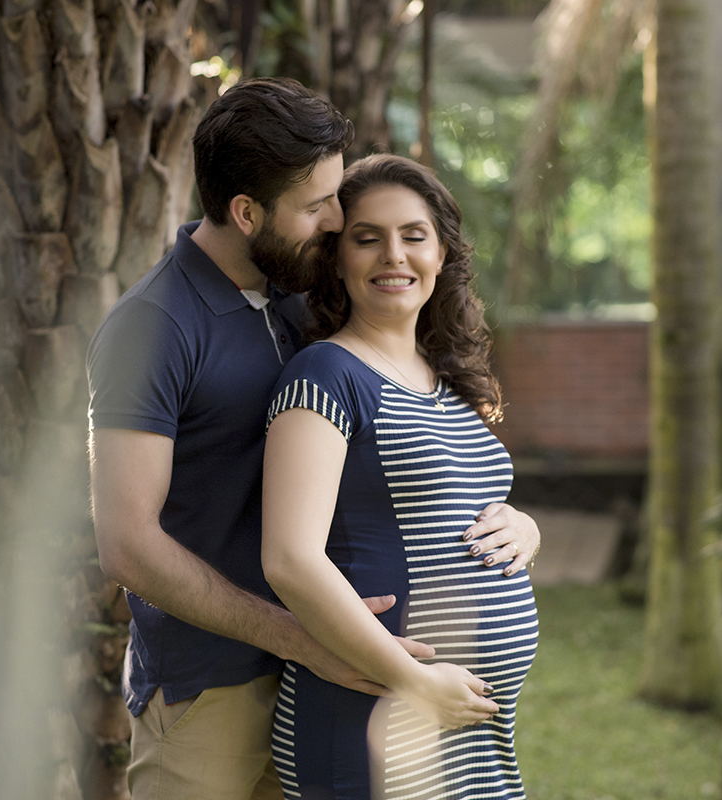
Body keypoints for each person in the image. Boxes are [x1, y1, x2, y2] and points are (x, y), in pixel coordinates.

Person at [87, 79, 542, 800]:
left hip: (325, 680)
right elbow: (126, 544)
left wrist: (512, 519)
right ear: (245, 212)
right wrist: (301, 638)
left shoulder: (297, 298)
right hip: (214, 689)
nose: (336, 220)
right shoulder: (153, 327)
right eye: (316, 206)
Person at [261, 154, 539, 799]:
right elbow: (290, 559)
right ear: (336, 258)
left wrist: (524, 526)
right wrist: (413, 680)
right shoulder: (326, 376)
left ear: (442, 254)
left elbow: (455, 501)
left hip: (468, 727)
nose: (393, 255)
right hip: (374, 710)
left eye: (413, 236)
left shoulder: (448, 379)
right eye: (367, 238)